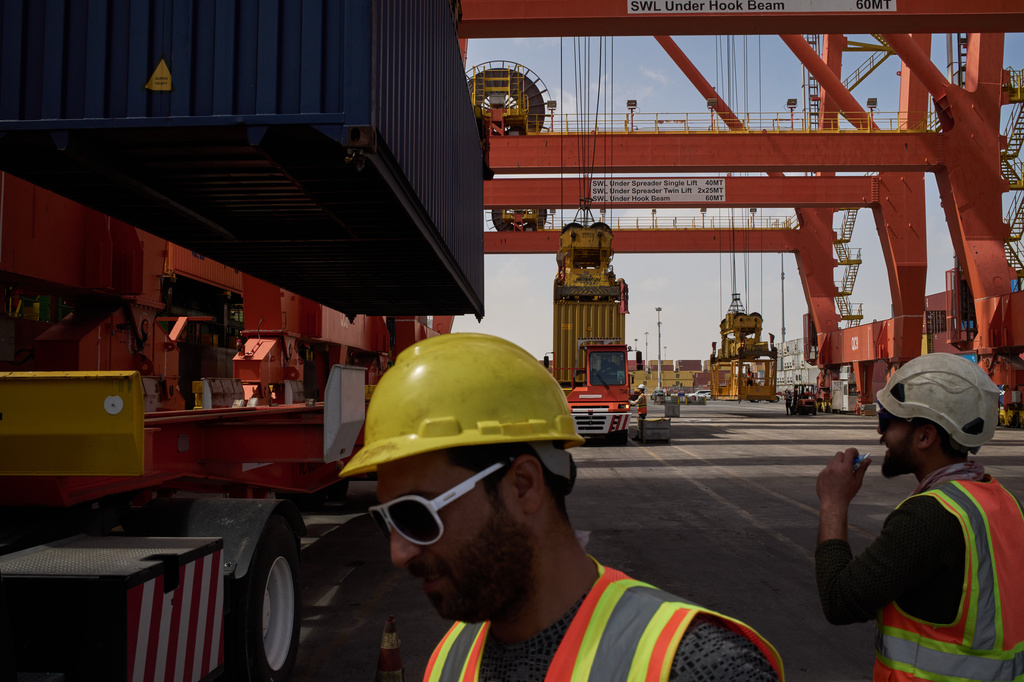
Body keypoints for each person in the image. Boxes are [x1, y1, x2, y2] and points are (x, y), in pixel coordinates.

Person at [341, 333, 784, 681]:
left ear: (523, 487)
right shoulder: (448, 661)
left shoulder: (695, 666)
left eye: (417, 515)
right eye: (387, 522)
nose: (399, 554)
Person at [815, 352, 1024, 681]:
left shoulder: (927, 519)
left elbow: (841, 600)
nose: (881, 434)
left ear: (926, 436)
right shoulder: (1007, 503)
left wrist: (833, 503)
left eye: (887, 421)